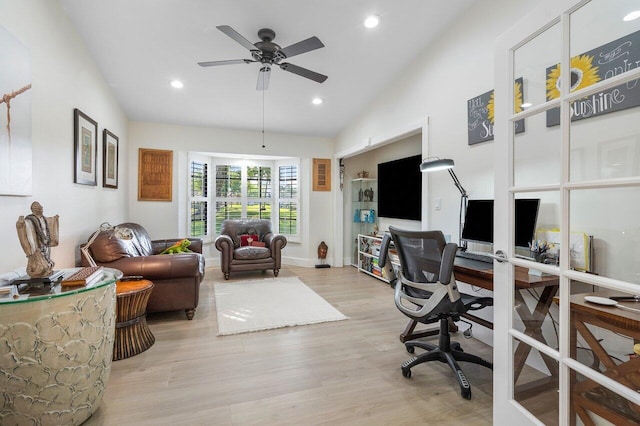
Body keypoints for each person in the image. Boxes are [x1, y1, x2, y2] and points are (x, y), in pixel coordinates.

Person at [16, 201, 59, 277]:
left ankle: (47, 269)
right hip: (37, 242)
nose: (41, 210)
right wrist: (20, 224)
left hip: (45, 241)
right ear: (33, 210)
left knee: (47, 258)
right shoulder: (30, 220)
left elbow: (50, 221)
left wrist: (55, 219)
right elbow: (24, 227)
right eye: (39, 209)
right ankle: (37, 271)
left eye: (41, 208)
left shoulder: (43, 218)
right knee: (39, 261)